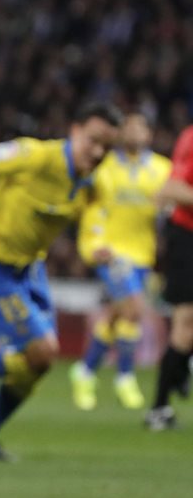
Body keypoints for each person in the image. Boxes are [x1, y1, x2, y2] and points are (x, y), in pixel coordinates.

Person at [0, 103, 121, 460]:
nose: (97, 153)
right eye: (93, 141)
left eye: (106, 148)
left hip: (31, 271)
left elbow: (94, 226)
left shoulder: (95, 183)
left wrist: (95, 248)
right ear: (74, 130)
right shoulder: (35, 156)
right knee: (43, 350)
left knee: (39, 364)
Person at [69, 113, 171, 411]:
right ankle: (125, 375)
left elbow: (168, 209)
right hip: (110, 251)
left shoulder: (162, 170)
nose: (135, 132)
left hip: (143, 253)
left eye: (141, 127)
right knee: (135, 309)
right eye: (129, 127)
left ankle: (86, 370)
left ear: (149, 134)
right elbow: (88, 208)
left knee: (120, 314)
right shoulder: (104, 168)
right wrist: (92, 244)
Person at [147, 123, 193, 430]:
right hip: (188, 238)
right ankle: (159, 408)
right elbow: (171, 189)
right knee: (186, 323)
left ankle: (180, 373)